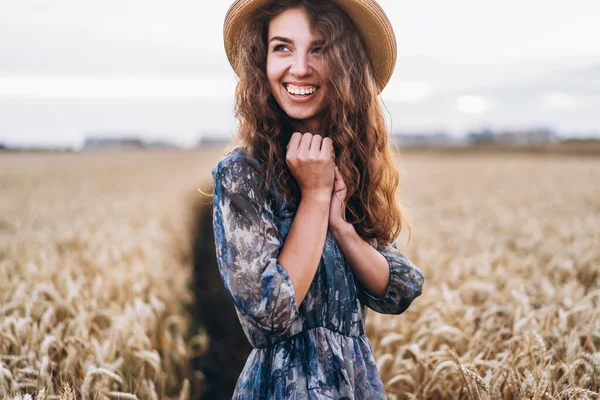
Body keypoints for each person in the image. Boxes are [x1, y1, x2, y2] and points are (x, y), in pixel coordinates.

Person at [211, 0, 425, 398]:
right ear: (263, 61)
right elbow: (269, 312)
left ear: (346, 64)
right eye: (283, 47)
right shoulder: (243, 173)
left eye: (319, 48)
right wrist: (313, 195)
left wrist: (343, 227)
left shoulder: (349, 164)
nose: (299, 67)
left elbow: (401, 288)